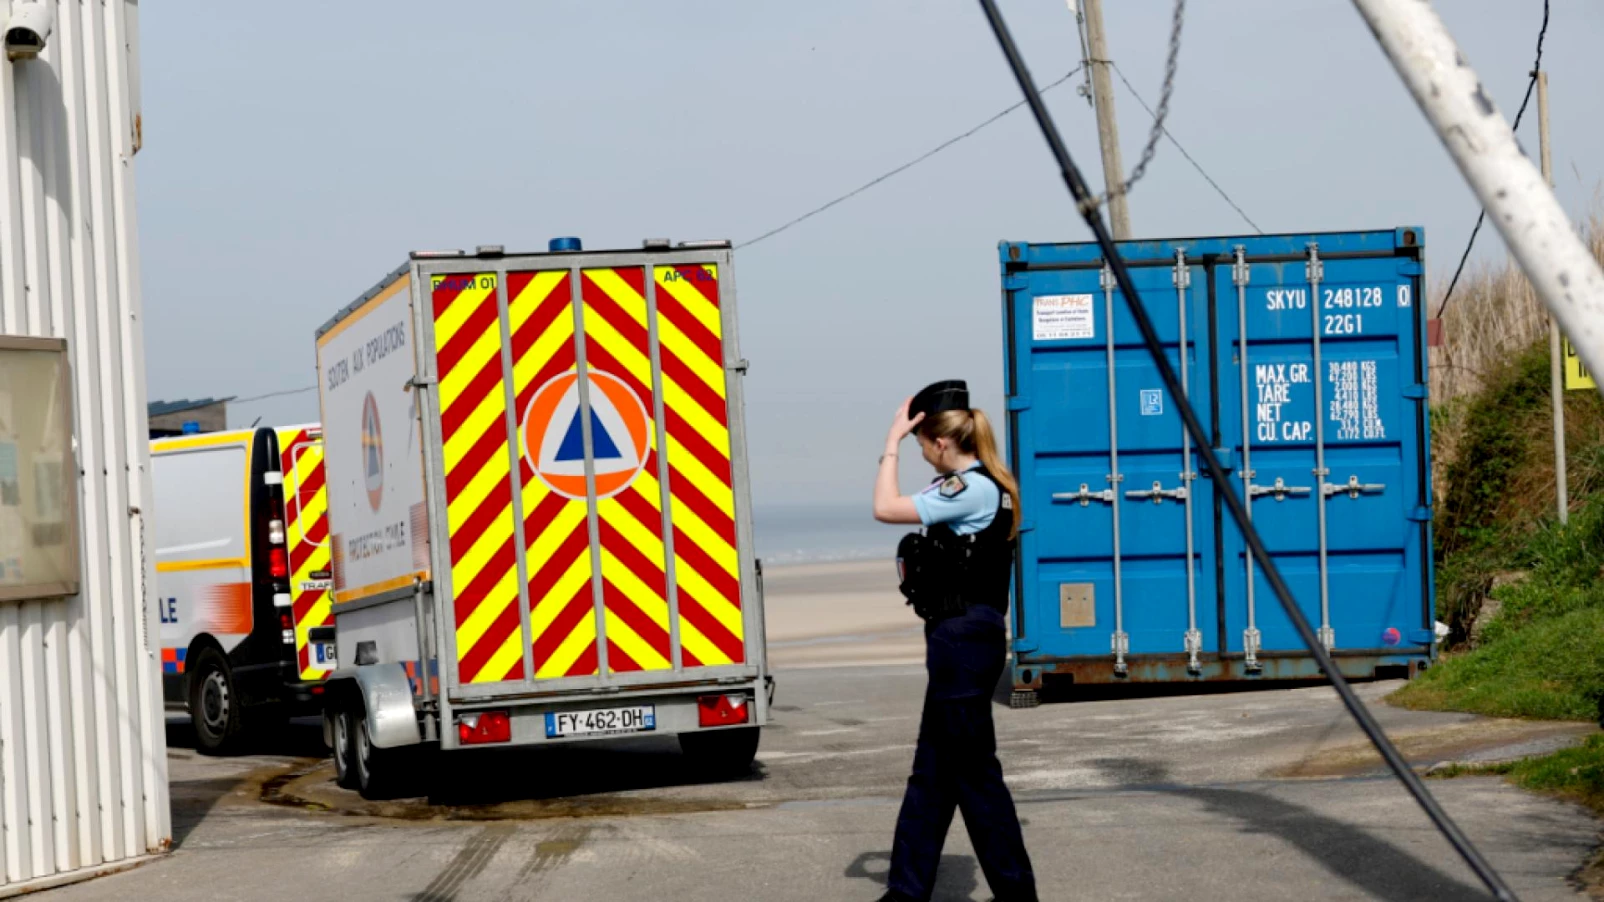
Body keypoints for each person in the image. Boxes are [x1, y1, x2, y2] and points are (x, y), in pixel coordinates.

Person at [871, 380, 1036, 902]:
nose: (922, 455)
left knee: (975, 778)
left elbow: (886, 507)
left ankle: (1017, 894)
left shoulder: (969, 487)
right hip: (961, 640)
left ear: (941, 443)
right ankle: (905, 892)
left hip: (964, 643)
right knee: (933, 773)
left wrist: (892, 443)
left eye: (924, 446)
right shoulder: (982, 484)